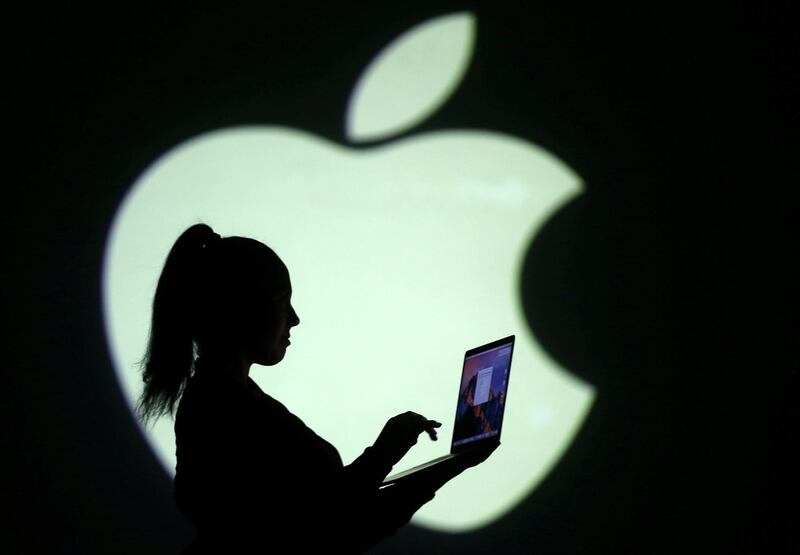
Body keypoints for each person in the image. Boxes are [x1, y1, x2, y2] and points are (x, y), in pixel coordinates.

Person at [137, 223, 497, 553]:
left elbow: (332, 521)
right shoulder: (224, 407)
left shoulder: (225, 399)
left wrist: (441, 465)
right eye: (281, 300)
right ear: (238, 308)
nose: (293, 318)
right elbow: (329, 525)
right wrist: (388, 452)